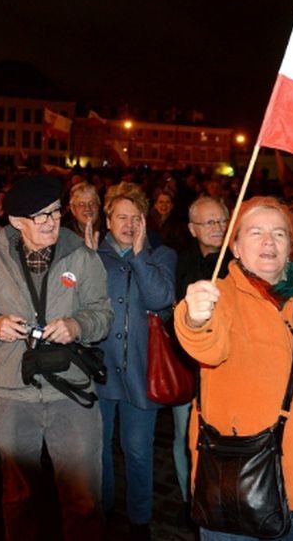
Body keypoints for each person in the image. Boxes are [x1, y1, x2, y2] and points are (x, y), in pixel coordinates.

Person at [176, 196, 293, 541]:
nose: (268, 242)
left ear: (291, 246)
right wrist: (193, 317)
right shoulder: (220, 297)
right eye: (255, 232)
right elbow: (205, 344)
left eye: (279, 234)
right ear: (235, 246)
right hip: (240, 487)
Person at [0, 174, 113, 541]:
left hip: (71, 394)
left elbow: (102, 313)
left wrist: (77, 326)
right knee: (19, 497)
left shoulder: (82, 256)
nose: (51, 221)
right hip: (13, 394)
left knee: (82, 499)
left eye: (54, 212)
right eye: (40, 216)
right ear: (16, 222)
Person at [96, 186, 176, 541]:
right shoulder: (91, 255)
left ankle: (139, 518)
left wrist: (141, 256)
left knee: (138, 451)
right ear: (107, 220)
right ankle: (104, 509)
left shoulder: (162, 254)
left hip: (143, 372)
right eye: (121, 217)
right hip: (98, 370)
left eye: (135, 217)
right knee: (97, 449)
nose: (128, 224)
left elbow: (161, 299)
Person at [170, 196, 232, 527]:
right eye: (209, 223)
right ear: (193, 229)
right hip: (189, 369)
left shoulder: (239, 262)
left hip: (228, 370)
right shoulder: (181, 262)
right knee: (185, 439)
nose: (218, 228)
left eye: (222, 220)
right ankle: (187, 498)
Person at [64, 181, 103, 249]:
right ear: (73, 210)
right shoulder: (65, 235)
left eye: (92, 203)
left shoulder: (110, 231)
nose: (87, 208)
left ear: (98, 206)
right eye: (81, 204)